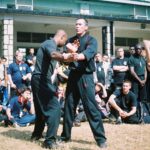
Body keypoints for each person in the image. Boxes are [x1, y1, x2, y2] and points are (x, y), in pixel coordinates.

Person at [60, 18, 107, 148]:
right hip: (73, 76)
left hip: (85, 77)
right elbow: (65, 59)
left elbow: (86, 55)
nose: (77, 26)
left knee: (91, 108)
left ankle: (101, 139)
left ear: (86, 27)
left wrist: (73, 53)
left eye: (80, 24)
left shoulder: (91, 40)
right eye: (76, 24)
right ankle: (65, 137)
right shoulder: (70, 40)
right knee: (68, 107)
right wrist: (67, 54)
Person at [30, 29, 74, 149]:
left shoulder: (49, 44)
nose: (64, 44)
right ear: (62, 37)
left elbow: (61, 57)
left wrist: (69, 54)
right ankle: (49, 141)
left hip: (38, 79)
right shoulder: (50, 44)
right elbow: (54, 54)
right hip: (41, 79)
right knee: (55, 109)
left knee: (40, 109)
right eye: (64, 41)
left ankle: (36, 135)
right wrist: (65, 56)